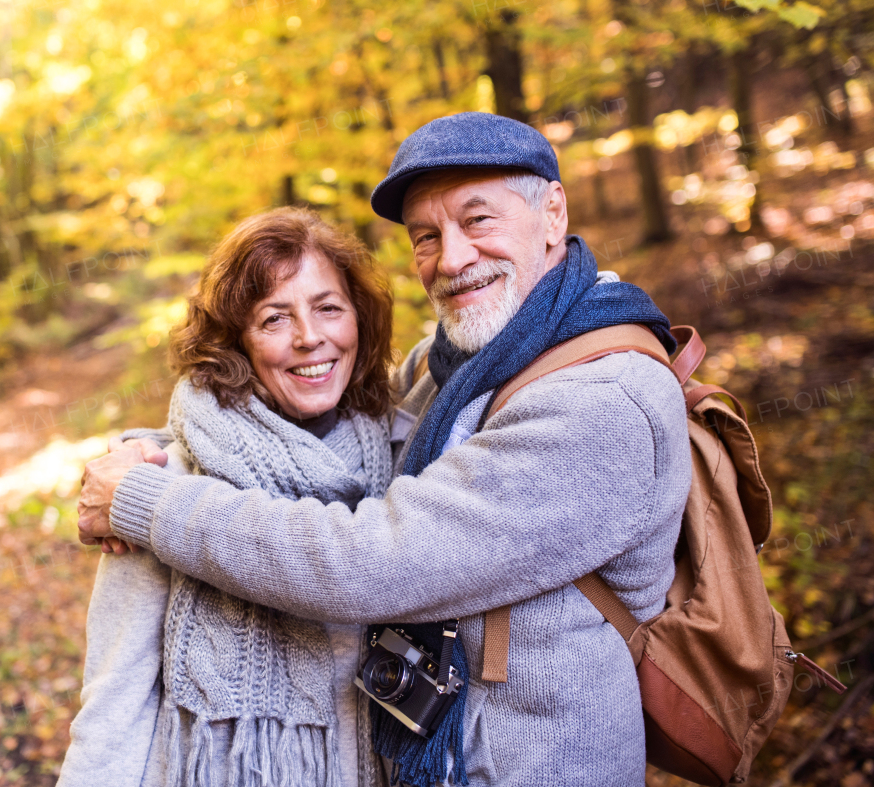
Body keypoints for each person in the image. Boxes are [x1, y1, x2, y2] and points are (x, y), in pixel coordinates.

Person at [78, 112, 692, 787]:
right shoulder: (457, 362)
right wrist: (153, 453)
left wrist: (144, 499)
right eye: (427, 235)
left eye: (477, 219)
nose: (452, 258)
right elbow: (327, 431)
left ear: (553, 213)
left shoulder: (604, 396)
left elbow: (371, 560)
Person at [58, 208, 404, 787]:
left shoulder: (405, 454)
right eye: (274, 318)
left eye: (328, 307)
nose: (310, 337)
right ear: (235, 344)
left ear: (360, 322)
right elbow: (116, 696)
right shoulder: (158, 477)